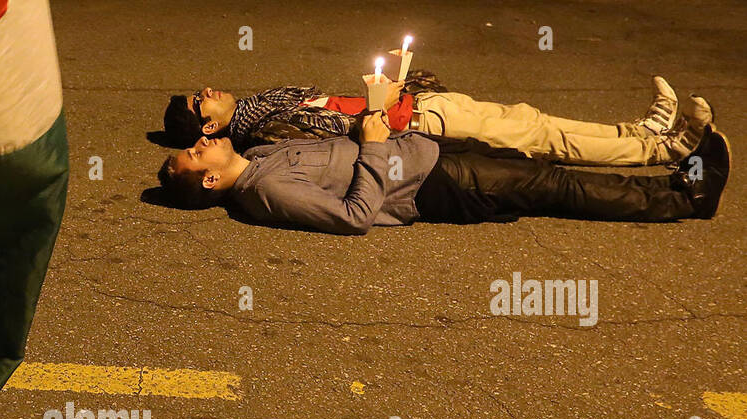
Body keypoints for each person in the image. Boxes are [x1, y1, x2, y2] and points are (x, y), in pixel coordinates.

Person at [155, 106, 729, 233]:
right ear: (208, 180)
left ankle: (669, 173)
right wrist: (377, 147)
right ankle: (683, 197)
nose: (204, 145)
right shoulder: (269, 190)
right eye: (196, 153)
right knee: (558, 187)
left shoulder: (257, 158)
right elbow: (354, 217)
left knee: (541, 160)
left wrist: (371, 125)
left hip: (429, 153)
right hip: (439, 185)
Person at [164, 76, 700, 166]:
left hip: (418, 107)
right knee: (542, 140)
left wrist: (391, 84)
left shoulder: (266, 105)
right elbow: (352, 134)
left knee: (534, 123)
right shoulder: (264, 130)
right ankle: (654, 149)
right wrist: (387, 105)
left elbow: (337, 108)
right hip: (419, 126)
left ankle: (640, 132)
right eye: (199, 103)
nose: (206, 92)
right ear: (209, 128)